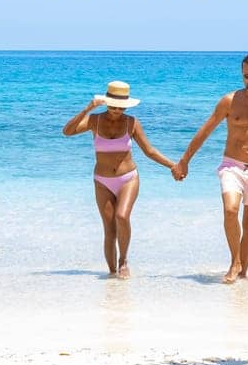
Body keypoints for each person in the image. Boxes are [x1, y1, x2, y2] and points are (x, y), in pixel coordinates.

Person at [173, 54, 248, 283]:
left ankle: (243, 275)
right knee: (230, 210)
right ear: (242, 75)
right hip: (232, 166)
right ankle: (234, 261)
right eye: (247, 76)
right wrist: (184, 160)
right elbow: (205, 131)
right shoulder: (229, 101)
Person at [63, 80, 177, 277]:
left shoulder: (131, 122)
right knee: (109, 229)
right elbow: (67, 131)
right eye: (114, 106)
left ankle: (123, 260)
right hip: (102, 180)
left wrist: (173, 166)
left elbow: (149, 151)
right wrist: (88, 109)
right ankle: (112, 274)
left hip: (128, 179)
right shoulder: (95, 121)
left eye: (121, 107)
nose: (117, 110)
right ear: (107, 102)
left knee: (122, 217)